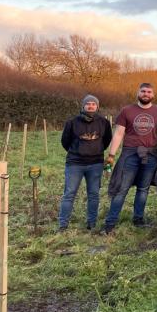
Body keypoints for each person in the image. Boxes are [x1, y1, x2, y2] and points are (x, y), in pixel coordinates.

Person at [102, 83, 157, 233]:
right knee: (121, 188)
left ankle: (138, 219)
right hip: (130, 154)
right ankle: (110, 223)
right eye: (143, 91)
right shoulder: (127, 111)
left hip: (150, 154)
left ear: (153, 94)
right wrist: (111, 155)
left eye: (149, 91)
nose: (146, 94)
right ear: (138, 93)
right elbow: (119, 133)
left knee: (143, 189)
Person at [58, 94, 112, 231]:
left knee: (93, 194)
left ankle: (91, 223)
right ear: (83, 106)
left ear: (97, 106)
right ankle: (63, 224)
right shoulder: (72, 122)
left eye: (93, 104)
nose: (91, 106)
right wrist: (77, 151)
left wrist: (96, 150)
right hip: (75, 163)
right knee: (69, 193)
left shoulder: (104, 123)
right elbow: (65, 141)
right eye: (88, 104)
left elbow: (106, 140)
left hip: (95, 164)